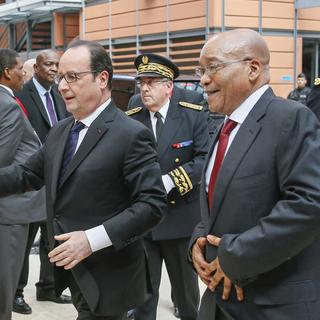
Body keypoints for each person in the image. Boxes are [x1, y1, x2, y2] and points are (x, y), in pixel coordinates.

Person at [0, 40, 167, 320]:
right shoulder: (61, 131)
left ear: (102, 78)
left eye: (73, 77)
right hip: (71, 270)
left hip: (110, 275)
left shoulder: (130, 134)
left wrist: (91, 239)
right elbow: (27, 174)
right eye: (61, 78)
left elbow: (152, 204)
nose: (63, 86)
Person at [190, 28, 320, 320]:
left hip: (270, 304)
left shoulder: (290, 119)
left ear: (252, 68)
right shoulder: (225, 127)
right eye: (202, 69)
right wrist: (197, 244)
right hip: (219, 303)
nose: (203, 79)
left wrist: (234, 257)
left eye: (213, 67)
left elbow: (309, 205)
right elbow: (219, 201)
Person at [127, 53, 209, 320]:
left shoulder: (192, 108)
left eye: (151, 82)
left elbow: (204, 157)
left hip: (180, 219)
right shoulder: (134, 109)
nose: (144, 88)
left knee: (186, 297)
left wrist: (168, 181)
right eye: (141, 82)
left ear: (169, 86)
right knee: (143, 296)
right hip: (144, 219)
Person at [13, 50, 71, 314]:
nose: (53, 69)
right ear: (35, 68)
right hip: (33, 180)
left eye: (57, 65)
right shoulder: (22, 97)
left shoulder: (59, 95)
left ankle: (48, 287)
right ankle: (16, 292)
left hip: (58, 178)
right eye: (48, 64)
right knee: (26, 241)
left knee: (53, 237)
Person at [0, 49, 45, 320]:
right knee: (5, 284)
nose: (24, 74)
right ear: (7, 72)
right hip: (11, 207)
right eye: (20, 69)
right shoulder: (7, 105)